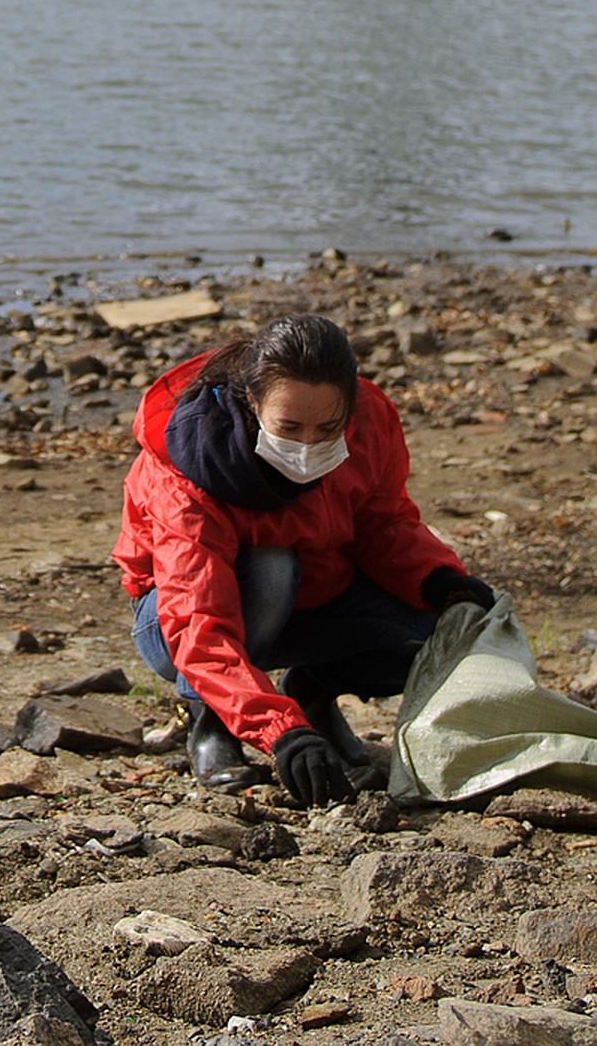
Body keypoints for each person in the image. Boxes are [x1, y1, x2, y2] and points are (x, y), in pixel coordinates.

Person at [112, 313, 495, 808]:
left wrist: (440, 581)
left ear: (349, 408)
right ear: (252, 403)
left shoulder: (370, 421)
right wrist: (279, 733)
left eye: (327, 427)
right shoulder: (188, 471)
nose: (308, 445)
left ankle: (310, 691)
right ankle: (210, 718)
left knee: (440, 630)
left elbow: (383, 523)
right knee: (271, 569)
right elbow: (197, 621)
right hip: (175, 622)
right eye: (289, 427)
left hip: (312, 589)